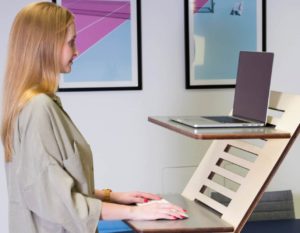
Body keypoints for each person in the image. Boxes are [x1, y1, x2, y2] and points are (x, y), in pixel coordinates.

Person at [1, 2, 186, 233]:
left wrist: (114, 196)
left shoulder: (32, 104)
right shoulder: (38, 109)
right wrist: (136, 212)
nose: (77, 51)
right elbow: (58, 203)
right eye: (71, 43)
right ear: (47, 46)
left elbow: (53, 187)